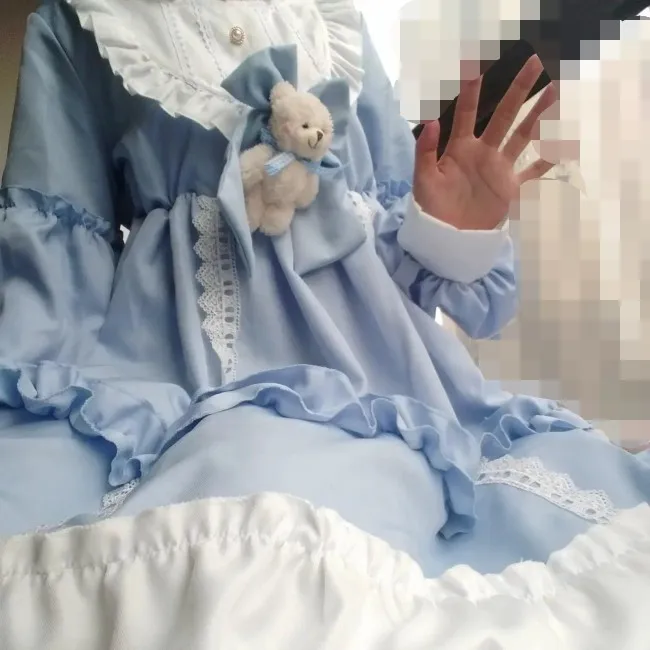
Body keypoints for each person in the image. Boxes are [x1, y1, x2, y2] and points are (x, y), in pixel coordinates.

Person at [1, 0, 649, 594]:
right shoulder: (81, 21)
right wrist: (43, 386)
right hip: (168, 375)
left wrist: (452, 229)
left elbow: (393, 231)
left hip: (380, 382)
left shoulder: (334, 22)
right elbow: (57, 238)